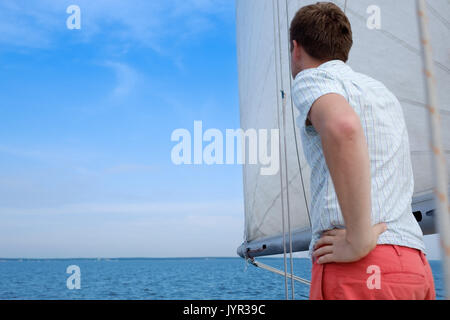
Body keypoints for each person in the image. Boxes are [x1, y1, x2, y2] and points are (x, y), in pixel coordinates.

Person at [289, 2, 435, 300]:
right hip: (411, 266)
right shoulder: (383, 93)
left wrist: (357, 239)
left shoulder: (313, 78)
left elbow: (343, 127)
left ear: (296, 49)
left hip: (357, 268)